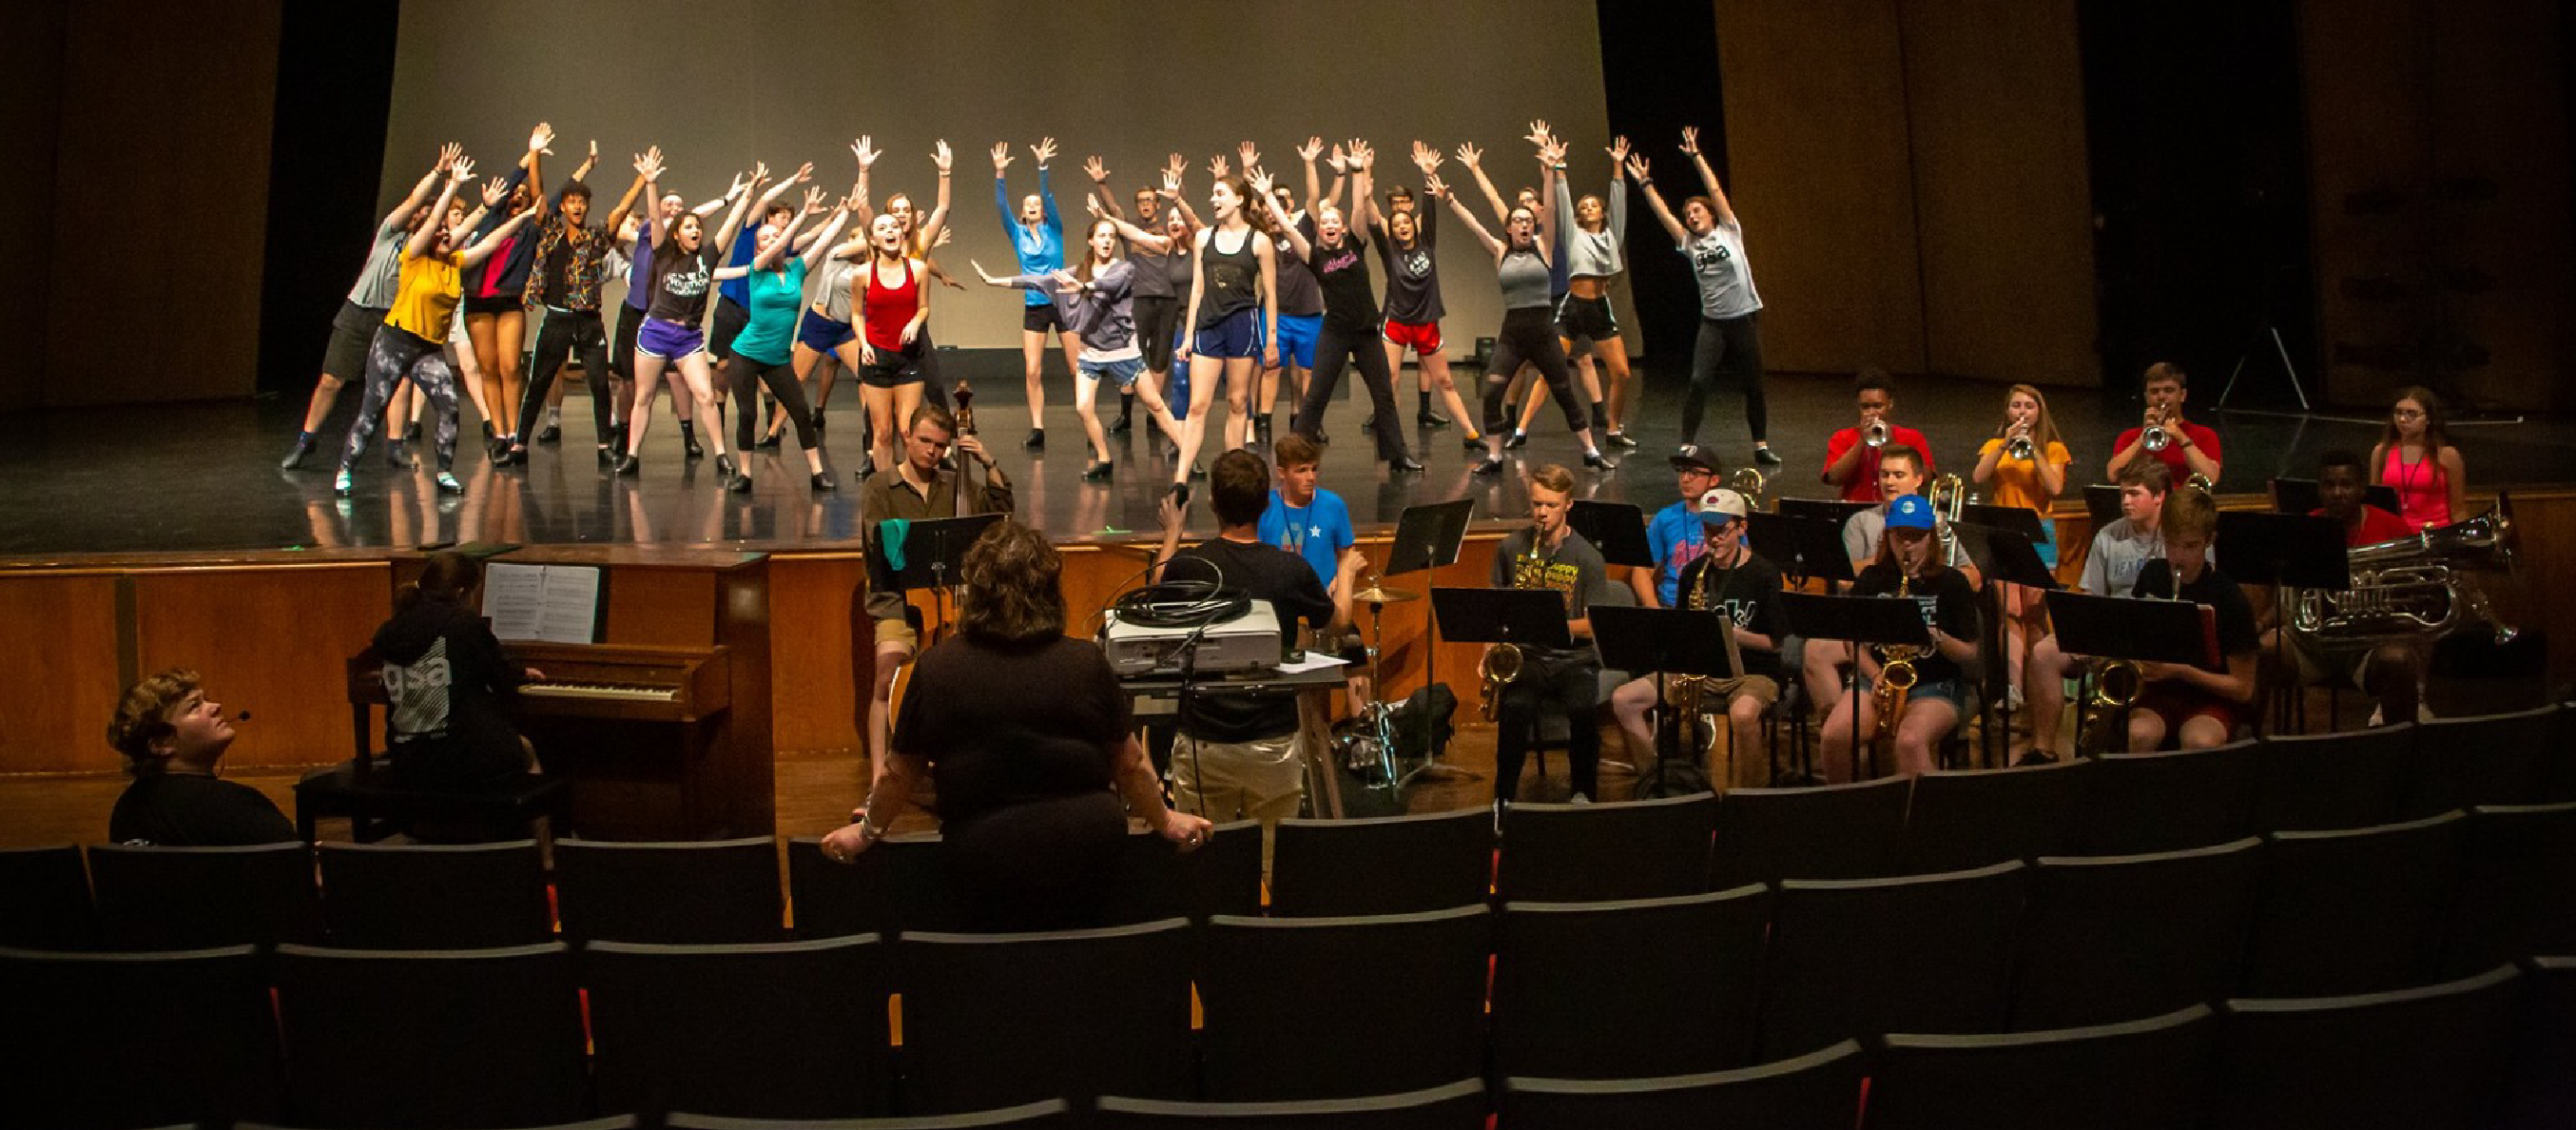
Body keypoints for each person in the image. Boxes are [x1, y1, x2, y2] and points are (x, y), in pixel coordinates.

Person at [818, 520, 1211, 932]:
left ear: (977, 594)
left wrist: (864, 833)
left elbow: (899, 774)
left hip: (983, 860)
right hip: (1087, 857)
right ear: (1049, 591)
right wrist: (1166, 821)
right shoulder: (1085, 662)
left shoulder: (937, 669)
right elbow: (1129, 765)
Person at [1153, 450, 1356, 857]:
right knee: (1272, 861)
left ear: (1212, 504)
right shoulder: (1289, 570)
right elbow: (1337, 623)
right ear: (1266, 504)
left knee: (1206, 864)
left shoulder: (1191, 566)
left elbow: (1158, 592)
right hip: (1272, 741)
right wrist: (1346, 571)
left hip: (1204, 740)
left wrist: (1173, 533)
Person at [334, 155, 539, 497]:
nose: (446, 234)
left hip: (427, 350)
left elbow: (488, 243)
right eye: (441, 231)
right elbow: (430, 226)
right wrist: (453, 185)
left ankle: (443, 472)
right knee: (372, 410)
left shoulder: (454, 263)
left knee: (449, 406)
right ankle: (345, 470)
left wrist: (524, 218)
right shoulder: (414, 258)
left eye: (449, 232)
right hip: (394, 342)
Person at [1429, 138, 1615, 476]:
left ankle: (1590, 450)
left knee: (1565, 394)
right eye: (1518, 220)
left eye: (1528, 219)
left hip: (1545, 333)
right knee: (1491, 393)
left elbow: (1553, 208)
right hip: (1513, 335)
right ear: (1509, 227)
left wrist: (1550, 167)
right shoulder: (1500, 251)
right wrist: (1450, 199)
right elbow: (1473, 226)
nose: (1524, 224)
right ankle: (1496, 457)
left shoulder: (1544, 247)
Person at [856, 404, 1013, 796]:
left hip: (949, 598)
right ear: (908, 437)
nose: (933, 451)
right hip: (896, 598)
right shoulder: (880, 487)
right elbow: (879, 547)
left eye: (942, 446)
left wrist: (988, 462)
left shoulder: (955, 486)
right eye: (925, 441)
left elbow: (1001, 514)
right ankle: (880, 774)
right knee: (887, 668)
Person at [281, 143, 464, 470]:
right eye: (419, 212)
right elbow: (412, 201)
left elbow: (443, 224)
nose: (420, 215)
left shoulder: (421, 252)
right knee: (331, 379)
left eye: (426, 215)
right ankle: (306, 439)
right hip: (356, 311)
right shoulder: (389, 234)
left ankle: (395, 445)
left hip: (390, 321)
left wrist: (452, 195)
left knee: (399, 383)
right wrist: (439, 172)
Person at [1249, 146, 1421, 471]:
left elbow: (1358, 206)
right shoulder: (1314, 254)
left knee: (1383, 395)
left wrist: (1357, 171)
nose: (1328, 224)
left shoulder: (1355, 241)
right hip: (1336, 332)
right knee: (1316, 397)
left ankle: (1398, 455)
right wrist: (1268, 196)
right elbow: (1286, 227)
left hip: (1367, 331)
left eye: (1333, 221)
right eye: (1323, 221)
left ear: (1342, 228)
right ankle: (1292, 457)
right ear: (1318, 229)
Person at [978, 212, 1184, 481]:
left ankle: (1188, 452)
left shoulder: (1124, 268)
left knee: (1155, 405)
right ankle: (1104, 457)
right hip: (1091, 354)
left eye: (1111, 236)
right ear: (1091, 241)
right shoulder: (1078, 272)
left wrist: (1084, 287)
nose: (1108, 241)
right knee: (1083, 407)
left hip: (1123, 352)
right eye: (1102, 236)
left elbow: (1109, 285)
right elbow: (1037, 281)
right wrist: (995, 281)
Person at [1610, 487, 1786, 789]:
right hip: (1698, 670)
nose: (1714, 538)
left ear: (1741, 527)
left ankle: (1751, 795)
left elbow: (1777, 643)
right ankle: (1657, 782)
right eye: (1708, 530)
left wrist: (1733, 635)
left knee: (1743, 715)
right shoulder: (1694, 572)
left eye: (1722, 531)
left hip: (1750, 672)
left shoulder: (1764, 574)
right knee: (1624, 700)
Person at [1626, 127, 1779, 466]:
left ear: (1710, 214)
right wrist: (1645, 184)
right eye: (1689, 214)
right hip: (1713, 323)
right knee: (1698, 381)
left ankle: (1761, 444)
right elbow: (1663, 215)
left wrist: (1697, 157)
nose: (1692, 216)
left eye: (1697, 211)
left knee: (1753, 384)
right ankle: (1686, 444)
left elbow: (1714, 188)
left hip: (1743, 318)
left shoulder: (1729, 230)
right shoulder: (1688, 243)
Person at [611, 153, 762, 481]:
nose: (695, 230)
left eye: (698, 227)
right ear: (677, 234)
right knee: (644, 396)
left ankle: (722, 456)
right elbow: (654, 215)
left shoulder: (707, 257)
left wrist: (749, 193)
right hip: (655, 332)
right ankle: (632, 454)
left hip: (689, 338)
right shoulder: (664, 254)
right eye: (689, 227)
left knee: (706, 396)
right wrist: (651, 183)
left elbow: (731, 225)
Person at [2022, 460, 2179, 762]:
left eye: (2134, 494)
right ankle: (2043, 750)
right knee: (2043, 653)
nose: (2125, 502)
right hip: (2109, 633)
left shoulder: (2178, 538)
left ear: (2159, 497)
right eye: (2123, 494)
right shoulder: (2109, 535)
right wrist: (2083, 634)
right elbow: (2091, 594)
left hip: (2156, 638)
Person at [1816, 495, 1982, 778]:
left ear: (1929, 537)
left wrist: (1938, 637)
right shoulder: (1872, 579)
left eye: (1915, 537)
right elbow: (1852, 643)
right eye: (1899, 535)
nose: (1906, 544)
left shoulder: (1951, 583)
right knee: (1834, 736)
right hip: (1878, 680)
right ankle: (1846, 811)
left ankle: (1916, 818)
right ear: (1888, 536)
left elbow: (1970, 653)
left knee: (1910, 741)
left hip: (1936, 684)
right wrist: (1876, 675)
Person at [507, 144, 648, 469]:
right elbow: (540, 196)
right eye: (572, 201)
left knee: (599, 383)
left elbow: (620, 212)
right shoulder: (552, 232)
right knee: (539, 381)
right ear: (565, 206)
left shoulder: (596, 237)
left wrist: (643, 179)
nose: (577, 206)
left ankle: (603, 445)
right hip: (557, 319)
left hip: (588, 321)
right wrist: (535, 154)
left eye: (582, 202)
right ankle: (519, 443)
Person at [2271, 449, 2426, 726]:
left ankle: (2403, 748)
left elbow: (2418, 589)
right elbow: (2287, 593)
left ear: (2362, 489)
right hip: (2312, 644)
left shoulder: (2392, 528)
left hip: (2366, 646)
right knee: (2264, 650)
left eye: (2346, 484)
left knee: (2399, 660)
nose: (2338, 492)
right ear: (2320, 490)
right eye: (2329, 485)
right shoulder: (2304, 529)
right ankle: (2257, 746)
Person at [1488, 464, 1609, 803]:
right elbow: (1495, 606)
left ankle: (1583, 794)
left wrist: (1552, 625)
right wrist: (1489, 651)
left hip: (1576, 659)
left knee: (1584, 713)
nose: (1542, 513)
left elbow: (1594, 624)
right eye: (1537, 504)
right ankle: (1503, 799)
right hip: (1528, 656)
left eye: (1550, 505)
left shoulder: (1588, 558)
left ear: (1568, 505)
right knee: (1513, 710)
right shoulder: (1511, 548)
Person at [373, 552, 543, 791]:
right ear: (462, 593)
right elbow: (502, 681)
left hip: (406, 754)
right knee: (525, 749)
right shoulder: (464, 623)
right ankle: (537, 827)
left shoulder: (390, 629)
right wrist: (521, 673)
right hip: (457, 754)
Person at [715, 185, 845, 492]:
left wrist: (844, 213)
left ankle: (816, 473)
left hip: (776, 358)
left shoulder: (797, 270)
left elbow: (825, 244)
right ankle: (745, 474)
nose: (773, 242)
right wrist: (800, 217)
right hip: (745, 354)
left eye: (776, 237)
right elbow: (781, 245)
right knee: (748, 414)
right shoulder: (756, 270)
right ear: (759, 249)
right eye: (766, 239)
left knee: (800, 412)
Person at [2119, 484, 2258, 750]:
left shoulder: (2228, 595)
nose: (2179, 556)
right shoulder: (2152, 575)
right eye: (2171, 544)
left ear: (2209, 540)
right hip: (2160, 694)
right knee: (2137, 734)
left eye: (2191, 546)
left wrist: (2183, 671)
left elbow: (2243, 688)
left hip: (2211, 698)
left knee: (2199, 740)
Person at [1172, 166, 1281, 502]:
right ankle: (1180, 477)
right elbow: (1196, 290)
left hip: (1242, 326)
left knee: (1237, 402)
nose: (1212, 199)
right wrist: (1189, 335)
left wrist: (1272, 338)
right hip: (1209, 325)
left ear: (1239, 200)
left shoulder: (1259, 241)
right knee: (1198, 404)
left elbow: (1271, 296)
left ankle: (1230, 480)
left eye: (1219, 194)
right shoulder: (1204, 238)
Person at [105, 669, 296, 846]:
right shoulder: (237, 804)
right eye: (194, 706)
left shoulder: (126, 809)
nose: (216, 706)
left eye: (206, 700)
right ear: (162, 744)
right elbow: (304, 873)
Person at [458, 123, 557, 460]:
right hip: (478, 302)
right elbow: (511, 181)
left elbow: (538, 191)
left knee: (510, 367)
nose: (518, 195)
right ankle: (498, 433)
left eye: (523, 194)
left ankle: (515, 435)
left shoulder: (531, 225)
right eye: (514, 193)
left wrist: (536, 158)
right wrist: (528, 151)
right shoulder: (490, 220)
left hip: (509, 301)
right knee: (488, 369)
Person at [1970, 384, 2072, 704]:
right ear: (2007, 411)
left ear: (2039, 412)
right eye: (2016, 406)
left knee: (2035, 611)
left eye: (2029, 406)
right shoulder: (1993, 444)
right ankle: (2014, 689)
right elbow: (1978, 476)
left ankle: (2040, 683)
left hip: (2039, 532)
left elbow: (2054, 487)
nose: (2022, 412)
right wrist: (2005, 444)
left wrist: (2033, 449)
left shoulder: (2054, 449)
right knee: (2009, 613)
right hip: (2003, 532)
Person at [1373, 148, 1480, 445]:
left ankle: (1471, 433)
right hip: (1396, 324)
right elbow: (1371, 219)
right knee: (1389, 382)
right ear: (1391, 231)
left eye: (1406, 223)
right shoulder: (1389, 252)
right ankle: (1392, 439)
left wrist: (1427, 172)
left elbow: (1429, 204)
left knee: (1445, 381)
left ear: (1414, 226)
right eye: (1396, 225)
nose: (1402, 227)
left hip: (1426, 323)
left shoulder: (1427, 243)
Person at [1093, 153, 1199, 439]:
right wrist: (1102, 183)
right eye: (1141, 201)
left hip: (1167, 302)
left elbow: (1184, 210)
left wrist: (1178, 181)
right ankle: (1126, 416)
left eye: (1150, 200)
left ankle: (1155, 414)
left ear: (1158, 204)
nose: (1145, 205)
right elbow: (1112, 210)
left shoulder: (1169, 231)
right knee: (1130, 356)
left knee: (1160, 359)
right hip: (1137, 301)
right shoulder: (1130, 230)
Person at [996, 138, 1078, 450]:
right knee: (1032, 369)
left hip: (1063, 303)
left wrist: (1043, 168)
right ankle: (1038, 427)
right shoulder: (1017, 234)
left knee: (1075, 367)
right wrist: (1000, 175)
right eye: (1027, 203)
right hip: (1035, 305)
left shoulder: (1054, 229)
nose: (1033, 205)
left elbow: (1049, 196)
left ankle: (1087, 416)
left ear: (1043, 211)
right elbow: (1001, 208)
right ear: (1023, 211)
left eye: (1037, 204)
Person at [1819, 369, 1933, 503]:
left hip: (1900, 511)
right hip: (1856, 512)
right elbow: (1833, 478)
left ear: (1890, 404)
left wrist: (1891, 445)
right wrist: (1862, 441)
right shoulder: (1841, 437)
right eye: (1865, 407)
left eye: (1878, 406)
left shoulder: (1913, 437)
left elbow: (1926, 478)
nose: (1872, 413)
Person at [1633, 445, 1723, 610]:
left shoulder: (1727, 520)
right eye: (1682, 471)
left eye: (1694, 473)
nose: (1685, 479)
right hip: (1670, 607)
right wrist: (1655, 609)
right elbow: (1642, 570)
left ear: (1714, 480)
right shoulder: (1665, 518)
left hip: (1713, 608)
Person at [2105, 361, 2222, 486]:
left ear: (2182, 395)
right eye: (2154, 391)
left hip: (2185, 503)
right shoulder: (2129, 436)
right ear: (2146, 397)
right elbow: (2113, 476)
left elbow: (2211, 479)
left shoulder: (2205, 435)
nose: (2161, 396)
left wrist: (2181, 438)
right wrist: (2143, 438)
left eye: (2169, 390)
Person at [2372, 384, 2467, 531]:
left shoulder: (2447, 455)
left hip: (2436, 533)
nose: (2403, 419)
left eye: (2412, 414)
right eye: (2398, 413)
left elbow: (2458, 510)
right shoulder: (2381, 451)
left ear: (2428, 419)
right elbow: (2374, 505)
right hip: (2395, 533)